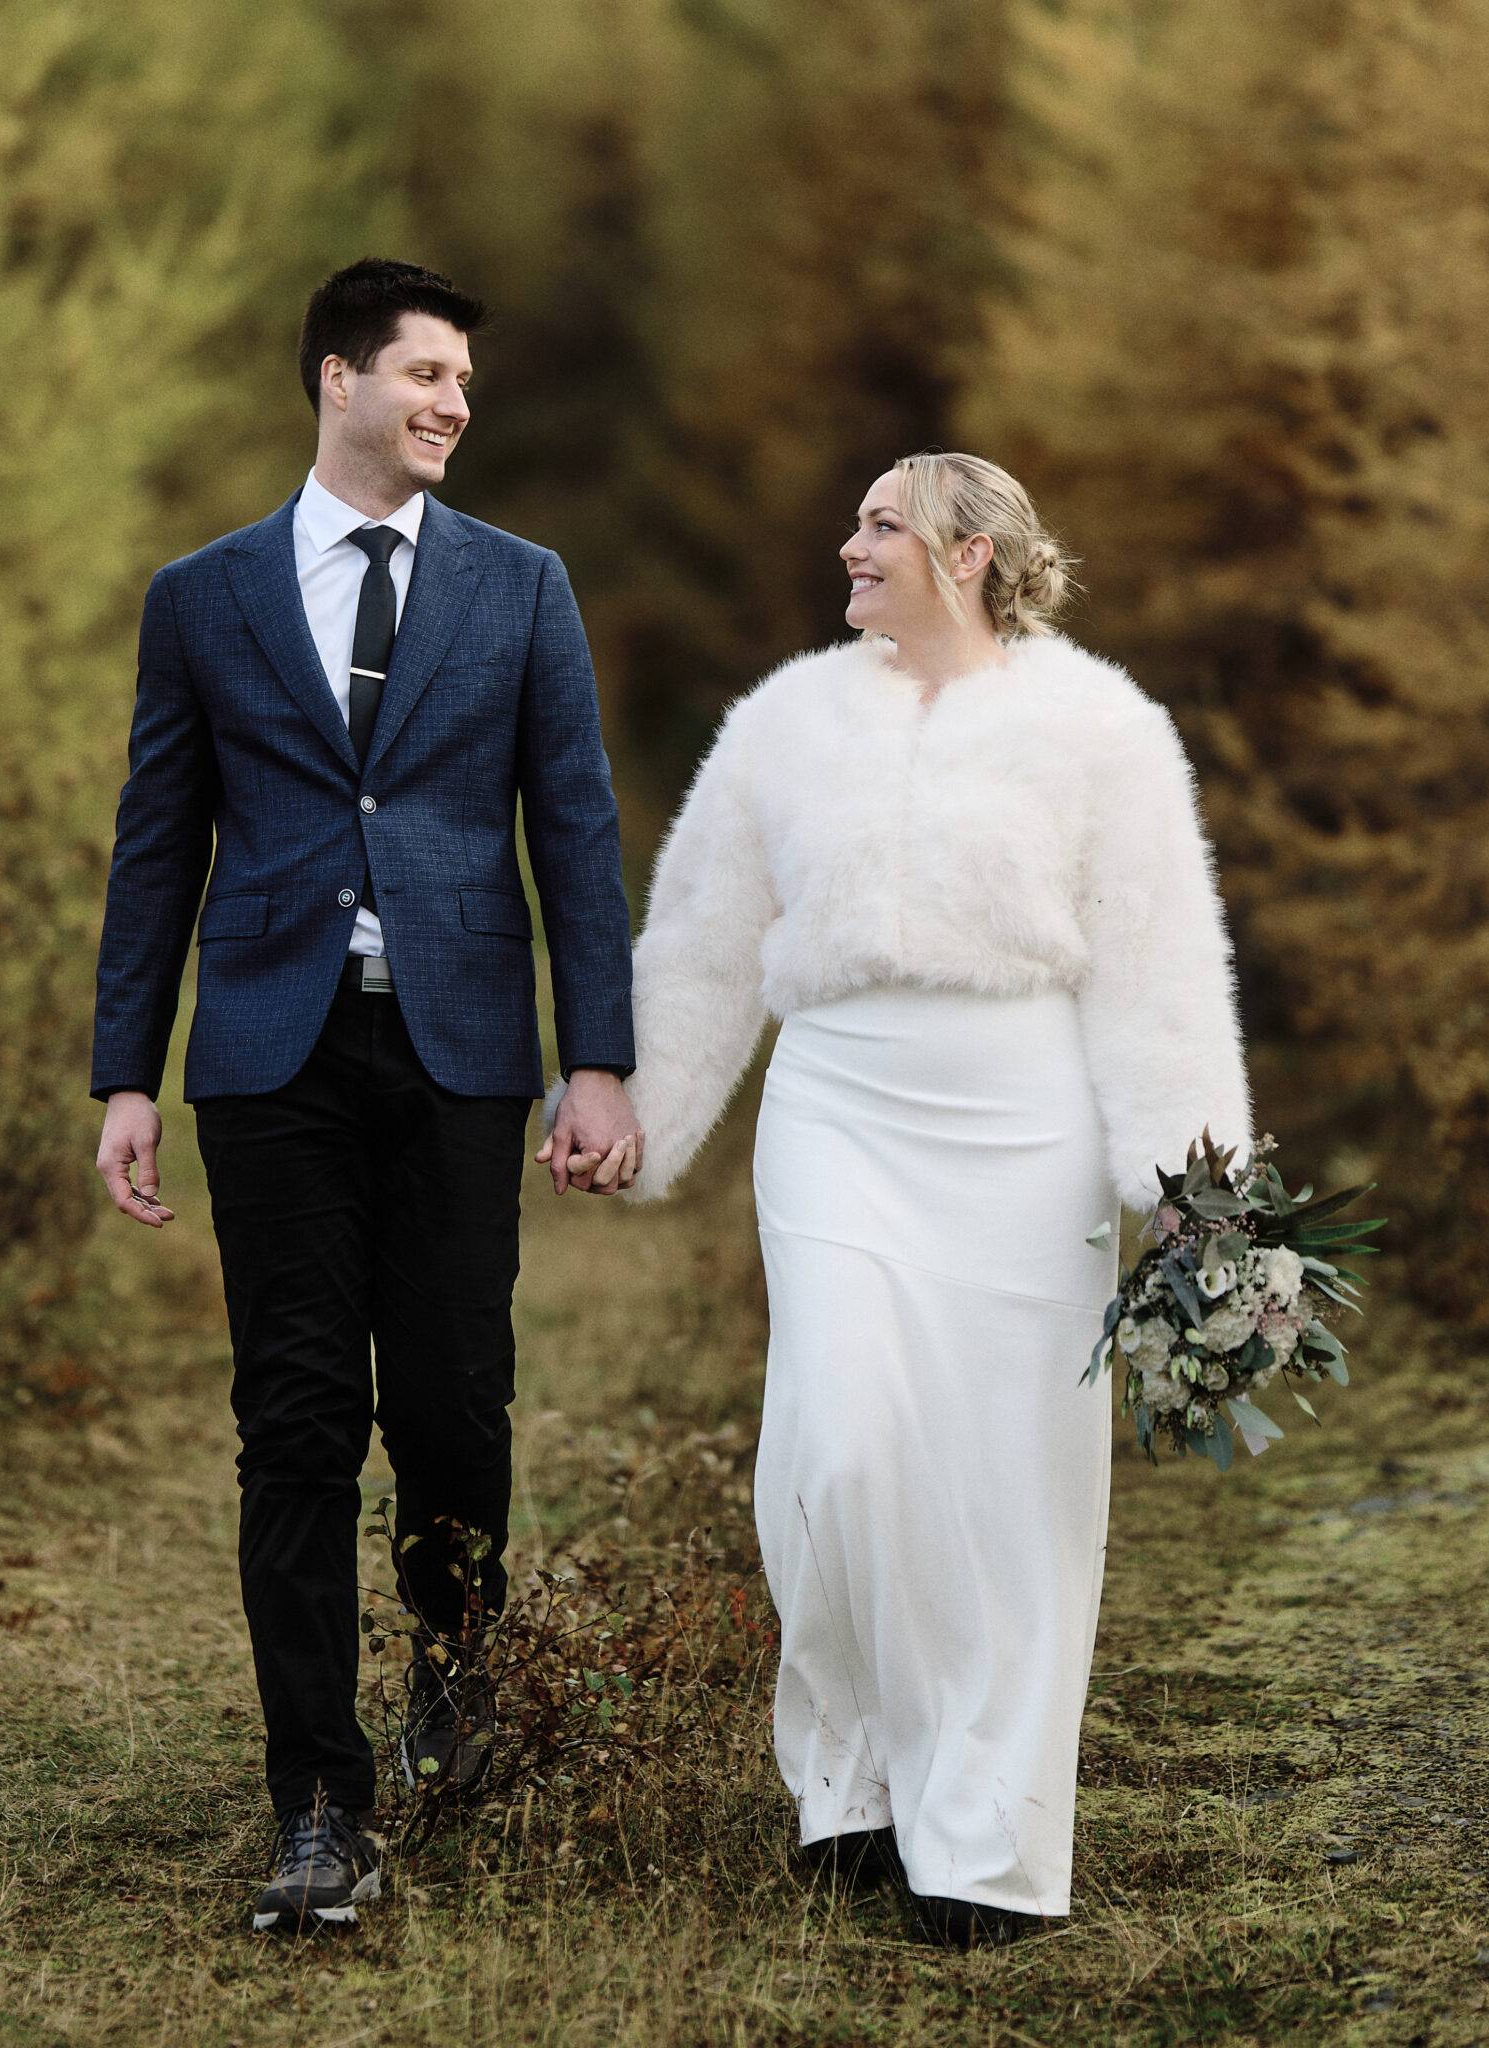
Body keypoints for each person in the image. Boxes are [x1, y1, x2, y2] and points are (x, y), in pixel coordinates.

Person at [564, 451, 1253, 1946]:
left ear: (972, 552)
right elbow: (703, 935)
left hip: (1026, 1127)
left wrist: (1199, 1190)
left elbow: (1159, 962)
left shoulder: (1102, 728)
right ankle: (855, 1771)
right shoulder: (786, 720)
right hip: (838, 1110)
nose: (850, 544)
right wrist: (630, 1107)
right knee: (841, 1447)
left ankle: (987, 1839)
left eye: (882, 524)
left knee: (1015, 1486)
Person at [89, 258, 644, 1934]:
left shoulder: (523, 586)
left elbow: (576, 827)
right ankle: (320, 1805)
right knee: (298, 1420)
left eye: (463, 380)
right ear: (338, 379)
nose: (453, 403)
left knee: (457, 1403)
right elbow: (155, 844)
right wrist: (126, 1075)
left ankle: (454, 1682)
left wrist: (597, 1059)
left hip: (462, 1052)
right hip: (273, 1057)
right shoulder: (203, 597)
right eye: (424, 373)